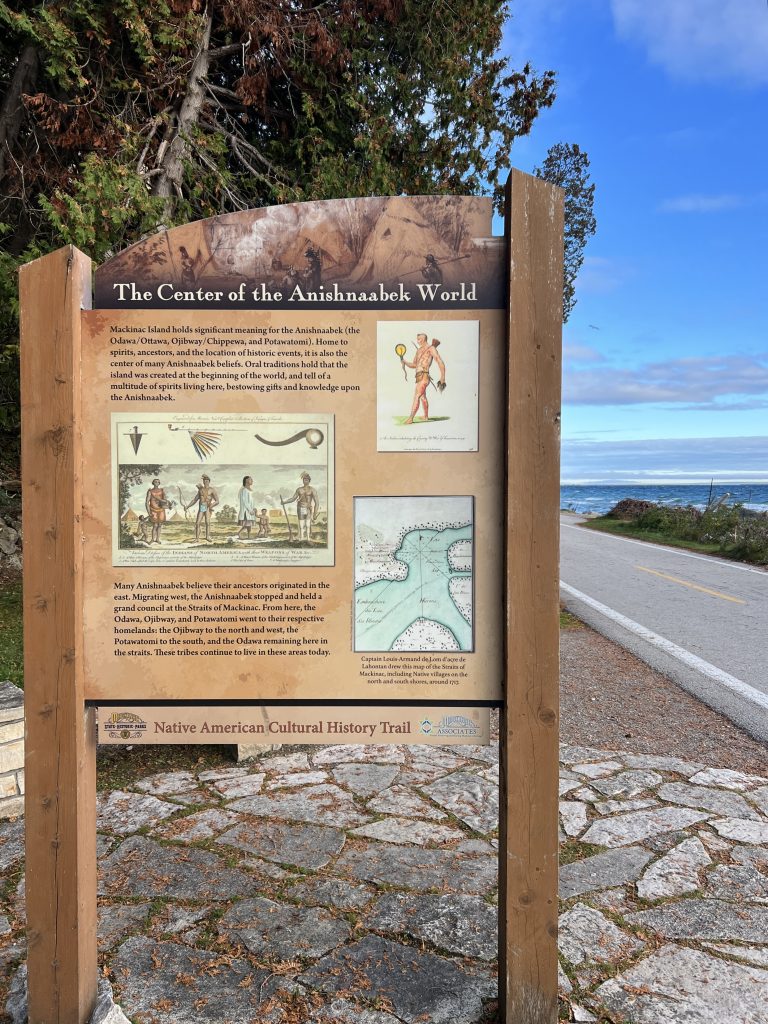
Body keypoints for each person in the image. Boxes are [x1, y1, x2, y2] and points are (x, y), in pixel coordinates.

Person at [402, 332, 446, 424]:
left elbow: (439, 360)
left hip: (424, 376)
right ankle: (426, 416)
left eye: (419, 339)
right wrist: (404, 362)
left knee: (417, 395)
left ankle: (410, 418)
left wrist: (442, 377)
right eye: (417, 339)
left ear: (424, 339)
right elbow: (414, 365)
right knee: (422, 397)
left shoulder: (431, 348)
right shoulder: (418, 351)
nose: (417, 341)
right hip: (418, 376)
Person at [184, 474, 219, 542]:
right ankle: (197, 538)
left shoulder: (212, 490)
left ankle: (207, 537)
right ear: (203, 481)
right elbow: (195, 500)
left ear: (209, 481)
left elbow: (217, 501)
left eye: (207, 480)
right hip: (202, 507)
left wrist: (211, 506)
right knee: (197, 523)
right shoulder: (200, 490)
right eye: (204, 480)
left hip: (208, 507)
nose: (206, 482)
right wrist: (187, 506)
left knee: (207, 523)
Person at [286, 472, 319, 541]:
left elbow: (317, 503)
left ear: (309, 481)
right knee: (301, 524)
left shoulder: (312, 490)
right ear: (303, 480)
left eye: (307, 480)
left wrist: (315, 514)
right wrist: (285, 502)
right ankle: (301, 538)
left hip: (308, 508)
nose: (305, 481)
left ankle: (308, 538)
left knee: (307, 524)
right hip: (300, 508)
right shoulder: (299, 489)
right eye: (304, 479)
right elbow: (293, 498)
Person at [145, 479, 171, 544]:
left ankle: (157, 539)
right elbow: (146, 502)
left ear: (159, 483)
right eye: (155, 482)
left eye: (158, 482)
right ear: (153, 483)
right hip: (153, 510)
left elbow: (165, 500)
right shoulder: (150, 491)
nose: (157, 483)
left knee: (159, 525)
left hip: (161, 510)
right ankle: (152, 539)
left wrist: (161, 500)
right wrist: (149, 512)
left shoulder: (162, 491)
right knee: (155, 525)